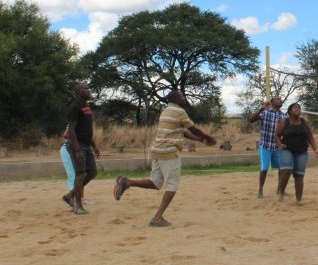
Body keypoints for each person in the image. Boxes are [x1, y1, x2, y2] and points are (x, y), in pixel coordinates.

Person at [113, 90, 216, 227]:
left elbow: (182, 132)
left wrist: (200, 139)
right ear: (174, 98)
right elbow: (192, 128)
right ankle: (157, 218)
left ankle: (128, 182)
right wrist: (207, 137)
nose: (184, 98)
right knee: (172, 186)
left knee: (156, 183)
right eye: (181, 96)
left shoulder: (166, 111)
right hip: (169, 152)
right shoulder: (179, 111)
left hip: (157, 150)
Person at [65, 82, 100, 215]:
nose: (88, 90)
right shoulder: (74, 107)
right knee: (80, 174)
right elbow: (71, 131)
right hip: (77, 145)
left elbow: (87, 130)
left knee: (92, 172)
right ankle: (78, 206)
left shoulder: (87, 107)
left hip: (86, 144)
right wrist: (78, 149)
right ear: (78, 91)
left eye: (88, 88)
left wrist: (94, 146)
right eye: (85, 88)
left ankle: (69, 196)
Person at [275, 103, 318, 203]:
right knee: (286, 170)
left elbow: (310, 136)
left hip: (302, 151)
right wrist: (280, 144)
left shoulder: (304, 122)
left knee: (299, 175)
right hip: (287, 149)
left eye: (299, 108)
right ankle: (281, 192)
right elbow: (277, 135)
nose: (297, 109)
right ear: (290, 111)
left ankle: (298, 200)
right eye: (295, 107)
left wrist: (315, 149)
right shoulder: (284, 122)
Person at [249, 96, 286, 198]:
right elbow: (251, 120)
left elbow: (284, 132)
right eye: (278, 99)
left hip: (276, 146)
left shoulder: (283, 116)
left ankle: (279, 189)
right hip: (265, 145)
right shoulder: (265, 112)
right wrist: (261, 109)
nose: (281, 100)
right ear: (272, 102)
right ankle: (260, 190)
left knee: (282, 168)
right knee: (264, 168)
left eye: (281, 99)